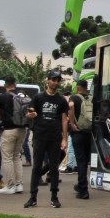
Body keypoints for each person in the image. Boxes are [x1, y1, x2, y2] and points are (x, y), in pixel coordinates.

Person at [24, 70, 69, 208]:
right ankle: (33, 197)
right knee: (36, 166)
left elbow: (64, 120)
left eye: (57, 80)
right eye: (53, 80)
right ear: (47, 80)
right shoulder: (38, 97)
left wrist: (65, 139)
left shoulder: (61, 100)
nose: (55, 83)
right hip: (40, 135)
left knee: (54, 168)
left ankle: (54, 197)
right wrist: (31, 114)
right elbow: (29, 112)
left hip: (55, 136)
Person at [0, 77, 28, 195]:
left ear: (5, 85)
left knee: (7, 158)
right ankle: (19, 184)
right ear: (15, 84)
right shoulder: (20, 96)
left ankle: (10, 185)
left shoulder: (2, 97)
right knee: (17, 157)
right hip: (22, 129)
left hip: (8, 129)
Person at [68, 79, 92, 199]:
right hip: (89, 133)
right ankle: (82, 184)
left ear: (77, 88)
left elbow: (70, 106)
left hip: (78, 132)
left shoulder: (74, 97)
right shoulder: (91, 98)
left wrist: (71, 123)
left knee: (80, 161)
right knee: (86, 161)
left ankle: (83, 189)